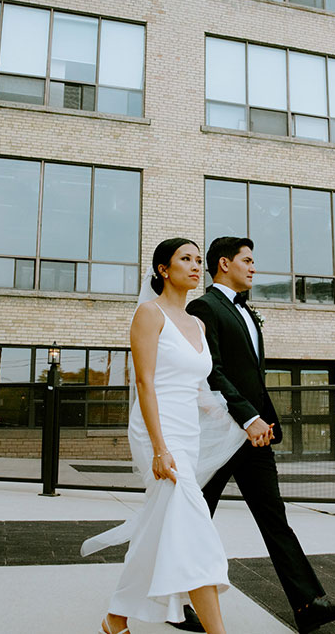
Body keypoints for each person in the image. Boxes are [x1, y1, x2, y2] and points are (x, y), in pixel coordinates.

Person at [185, 236, 335, 634]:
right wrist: (248, 417)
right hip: (221, 435)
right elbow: (211, 371)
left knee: (275, 519)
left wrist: (262, 420)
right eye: (247, 260)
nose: (254, 267)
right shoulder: (204, 307)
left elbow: (252, 377)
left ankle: (307, 604)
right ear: (224, 263)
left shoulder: (248, 311)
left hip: (254, 438)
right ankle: (175, 601)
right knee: (193, 519)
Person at [82, 238, 246, 634]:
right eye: (184, 259)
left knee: (165, 528)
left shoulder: (199, 323)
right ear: (162, 269)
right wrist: (159, 448)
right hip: (157, 431)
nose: (195, 266)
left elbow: (199, 388)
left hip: (187, 434)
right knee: (193, 530)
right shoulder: (148, 314)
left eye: (196, 260)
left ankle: (116, 618)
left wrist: (244, 421)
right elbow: (144, 382)